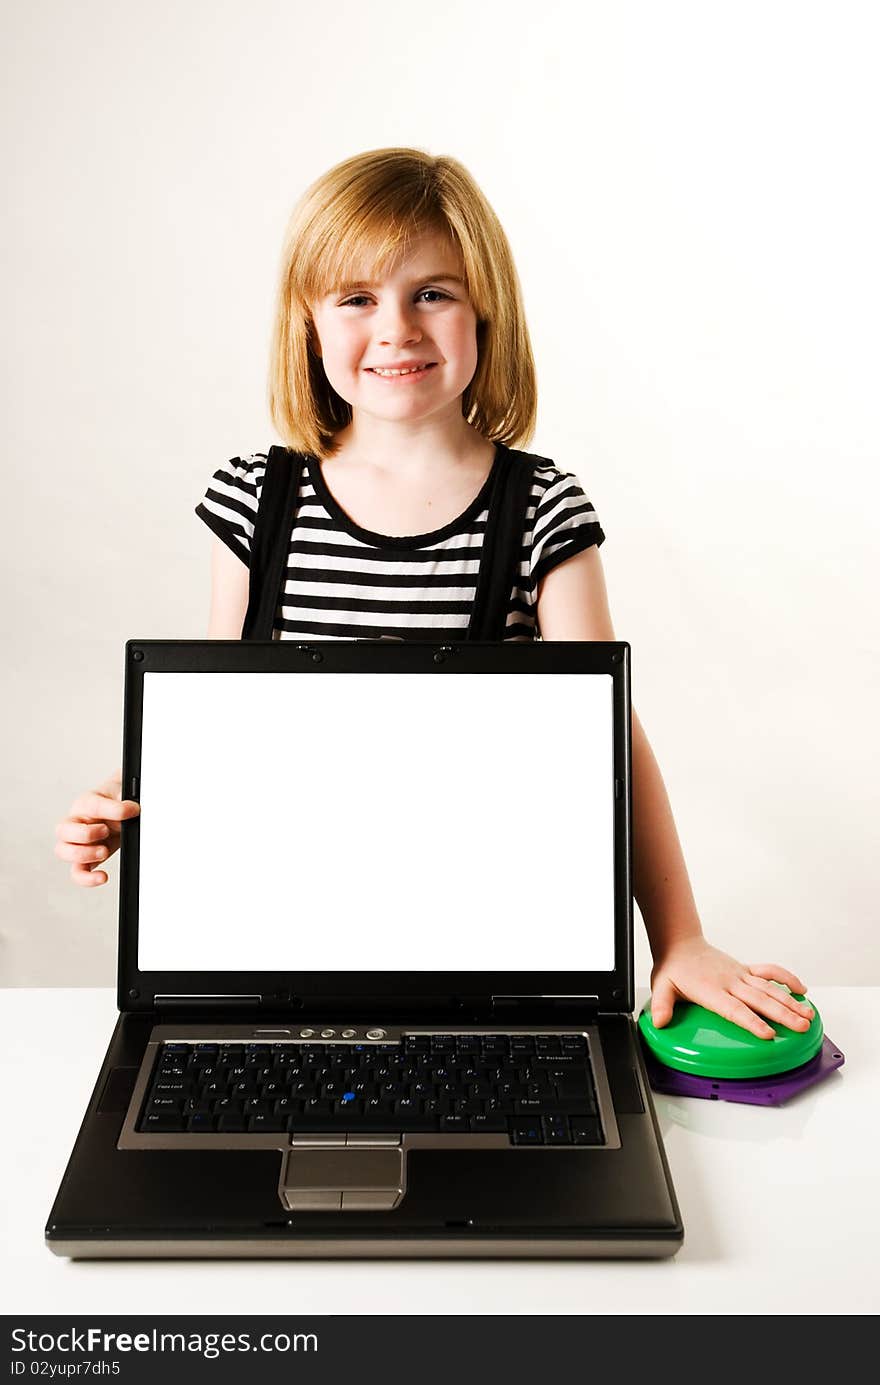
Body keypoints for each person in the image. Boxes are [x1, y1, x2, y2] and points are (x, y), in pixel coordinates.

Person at [54, 147, 814, 1041]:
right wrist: (135, 800)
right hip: (293, 959)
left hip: (487, 961)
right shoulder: (255, 502)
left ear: (483, 307)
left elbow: (613, 735)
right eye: (356, 297)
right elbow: (222, 727)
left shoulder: (539, 510)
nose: (396, 328)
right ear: (307, 321)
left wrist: (679, 939)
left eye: (432, 293)